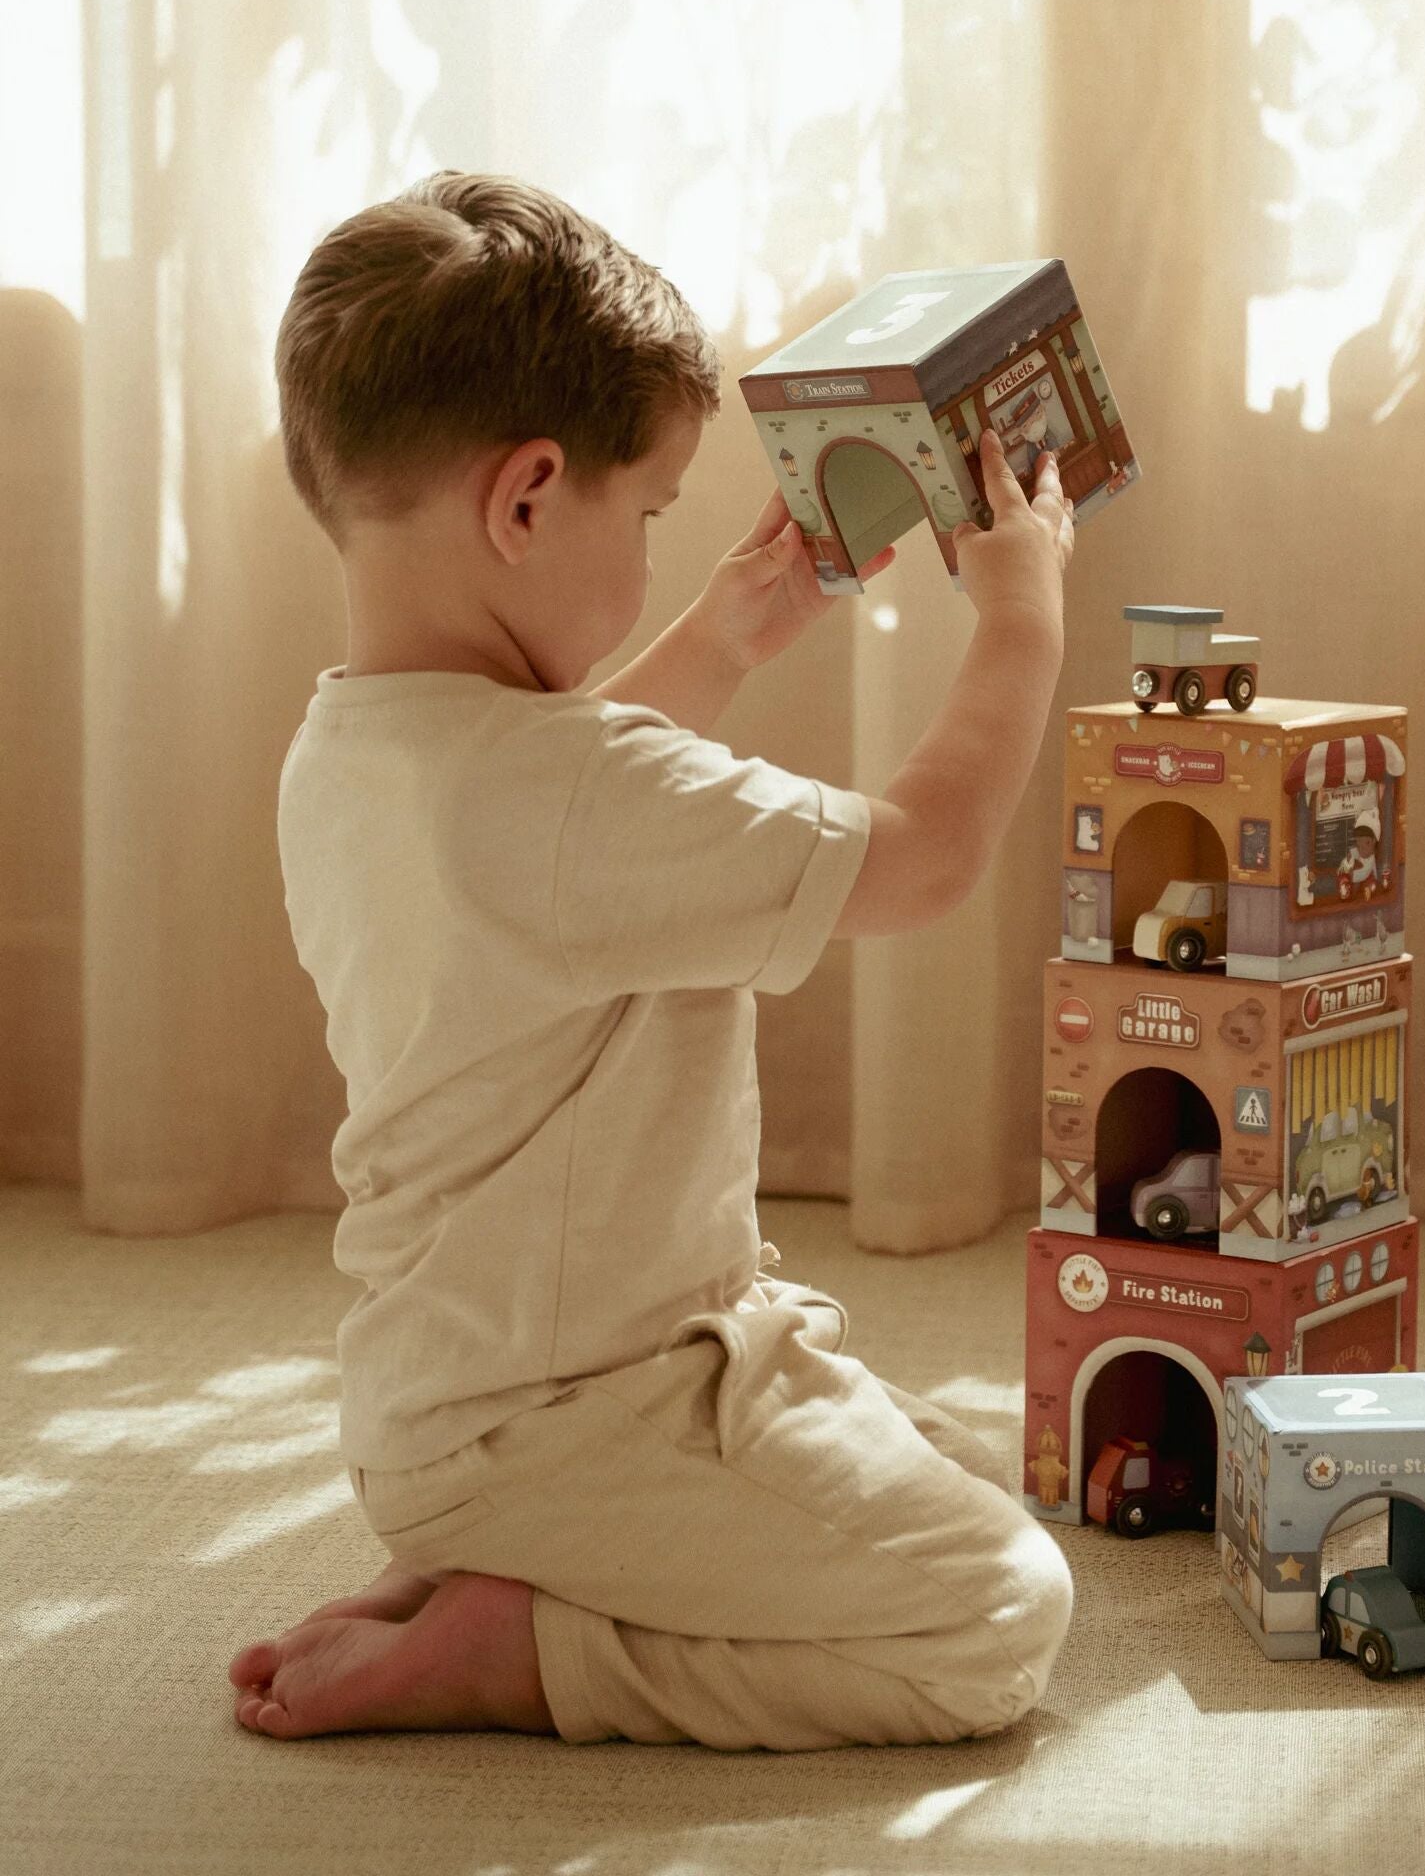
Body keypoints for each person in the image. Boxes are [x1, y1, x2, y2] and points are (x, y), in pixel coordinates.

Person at [228, 172, 1077, 1749]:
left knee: (952, 1458)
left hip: (461, 1400)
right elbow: (928, 857)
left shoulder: (353, 749)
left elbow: (561, 830)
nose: (660, 549)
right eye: (654, 512)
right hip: (576, 1414)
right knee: (996, 1611)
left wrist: (733, 626)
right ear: (529, 497)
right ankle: (530, 1649)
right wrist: (1020, 622)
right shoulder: (568, 799)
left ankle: (497, 1567)